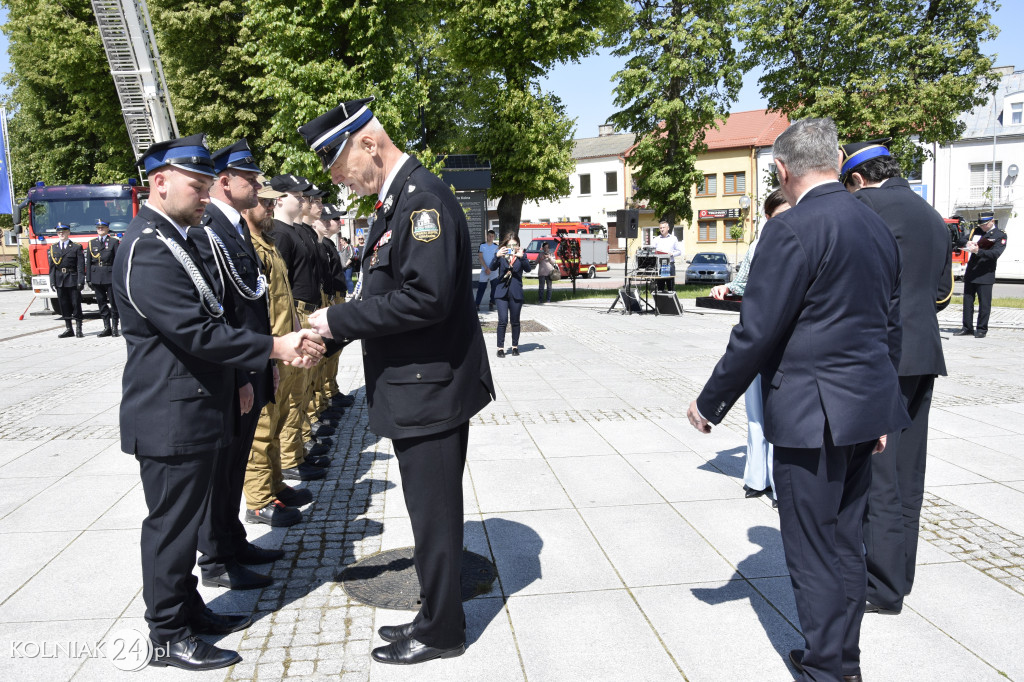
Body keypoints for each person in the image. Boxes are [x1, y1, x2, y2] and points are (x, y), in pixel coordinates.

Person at [686, 118, 910, 682]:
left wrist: (710, 402)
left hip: (811, 417)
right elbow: (890, 326)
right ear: (837, 160)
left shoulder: (791, 230)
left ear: (782, 170)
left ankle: (825, 671)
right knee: (845, 543)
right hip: (863, 412)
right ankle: (842, 662)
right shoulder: (875, 223)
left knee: (812, 549)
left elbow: (757, 331)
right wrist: (883, 409)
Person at [112, 134, 324, 671]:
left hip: (194, 407)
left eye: (209, 184)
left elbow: (219, 314)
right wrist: (275, 347)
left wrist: (239, 378)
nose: (206, 193)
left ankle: (189, 612)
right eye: (196, 184)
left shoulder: (175, 235)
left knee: (185, 523)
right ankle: (166, 634)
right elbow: (196, 332)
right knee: (172, 528)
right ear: (159, 182)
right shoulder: (148, 246)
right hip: (169, 414)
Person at [301, 97, 494, 665]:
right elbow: (388, 295)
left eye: (339, 167)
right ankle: (434, 610)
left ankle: (442, 631)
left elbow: (426, 299)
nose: (338, 180)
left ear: (369, 144)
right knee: (426, 510)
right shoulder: (396, 205)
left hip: (429, 386)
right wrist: (333, 335)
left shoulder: (422, 202)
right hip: (416, 383)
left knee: (434, 514)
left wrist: (338, 319)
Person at [841, 139, 954, 616]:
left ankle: (882, 587)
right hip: (924, 352)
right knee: (909, 472)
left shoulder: (864, 204)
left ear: (858, 179)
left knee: (879, 474)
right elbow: (944, 293)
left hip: (883, 354)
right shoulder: (932, 215)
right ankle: (901, 574)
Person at [190, 139, 278, 592]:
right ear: (224, 181)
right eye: (250, 178)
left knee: (237, 462)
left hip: (252, 365)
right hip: (235, 373)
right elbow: (219, 311)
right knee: (223, 471)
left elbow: (252, 303)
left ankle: (233, 540)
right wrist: (243, 375)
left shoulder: (235, 230)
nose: (257, 185)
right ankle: (217, 558)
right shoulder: (209, 230)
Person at [710, 189, 791, 505]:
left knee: (772, 412)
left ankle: (767, 479)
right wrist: (728, 287)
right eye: (780, 215)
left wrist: (730, 287)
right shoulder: (763, 242)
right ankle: (763, 478)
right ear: (768, 218)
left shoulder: (782, 239)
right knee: (759, 411)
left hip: (776, 337)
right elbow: (743, 283)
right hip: (765, 336)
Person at [243, 177, 310, 527]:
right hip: (268, 350)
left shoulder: (267, 242)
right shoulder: (248, 246)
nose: (269, 207)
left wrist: (297, 329)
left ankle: (275, 484)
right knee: (263, 425)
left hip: (284, 346)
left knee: (280, 416)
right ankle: (257, 501)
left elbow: (283, 297)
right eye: (264, 203)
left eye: (272, 203)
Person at [269, 174, 331, 480]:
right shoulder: (280, 234)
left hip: (308, 310)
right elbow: (281, 286)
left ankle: (296, 451)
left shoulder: (296, 232)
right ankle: (290, 457)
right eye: (300, 195)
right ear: (280, 199)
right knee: (291, 393)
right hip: (295, 314)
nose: (306, 201)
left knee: (302, 388)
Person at [956, 210, 1006, 338]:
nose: (982, 227)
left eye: (984, 224)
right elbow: (961, 240)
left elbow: (995, 254)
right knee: (967, 302)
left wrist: (978, 251)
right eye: (981, 225)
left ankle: (982, 329)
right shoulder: (976, 231)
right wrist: (967, 243)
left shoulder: (999, 235)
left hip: (985, 274)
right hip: (971, 272)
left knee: (984, 304)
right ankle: (967, 327)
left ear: (992, 222)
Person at [490, 233, 534, 356]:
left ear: (518, 245)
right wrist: (496, 255)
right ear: (505, 245)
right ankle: (500, 348)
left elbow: (528, 269)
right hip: (501, 292)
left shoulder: (521, 256)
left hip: (516, 292)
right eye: (509, 245)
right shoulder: (501, 256)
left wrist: (522, 257)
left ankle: (515, 346)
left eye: (515, 245)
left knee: (515, 321)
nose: (512, 247)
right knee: (502, 320)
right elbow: (492, 267)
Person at [48, 222, 85, 338]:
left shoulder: (76, 247)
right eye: (59, 232)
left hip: (72, 278)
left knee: (75, 304)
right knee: (63, 305)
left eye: (63, 231)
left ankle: (79, 328)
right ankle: (69, 328)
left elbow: (80, 266)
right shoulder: (53, 248)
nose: (61, 234)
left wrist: (80, 280)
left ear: (68, 232)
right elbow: (52, 267)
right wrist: (52, 281)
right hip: (60, 279)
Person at [86, 218, 120, 337]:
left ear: (107, 229)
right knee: (101, 303)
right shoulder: (92, 243)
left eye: (102, 228)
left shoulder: (113, 242)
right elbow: (89, 262)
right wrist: (88, 278)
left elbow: (117, 261)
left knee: (113, 302)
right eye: (98, 228)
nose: (100, 230)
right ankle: (107, 327)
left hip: (110, 275)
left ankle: (115, 326)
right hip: (96, 276)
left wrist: (118, 277)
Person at [651, 219, 682, 290]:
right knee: (660, 286)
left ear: (668, 228)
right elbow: (652, 251)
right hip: (659, 265)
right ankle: (660, 300)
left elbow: (679, 251)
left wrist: (672, 254)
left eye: (663, 228)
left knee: (670, 286)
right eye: (660, 228)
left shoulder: (673, 238)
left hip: (670, 264)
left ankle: (671, 300)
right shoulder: (656, 239)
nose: (662, 229)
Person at [475, 229, 499, 310]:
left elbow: (497, 259)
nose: (491, 237)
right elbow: (480, 257)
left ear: (494, 237)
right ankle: (477, 304)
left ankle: (492, 302)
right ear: (487, 236)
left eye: (492, 236)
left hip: (494, 271)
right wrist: (486, 268)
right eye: (489, 236)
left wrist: (491, 268)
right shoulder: (482, 245)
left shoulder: (496, 246)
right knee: (481, 288)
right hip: (484, 270)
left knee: (494, 288)